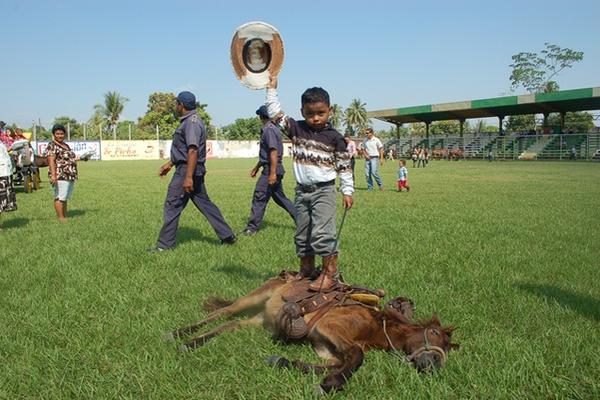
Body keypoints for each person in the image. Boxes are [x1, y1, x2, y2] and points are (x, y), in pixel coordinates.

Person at [265, 77, 353, 291]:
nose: (315, 118)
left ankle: (330, 274)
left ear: (329, 111)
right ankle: (306, 270)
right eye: (310, 113)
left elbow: (344, 166)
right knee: (302, 233)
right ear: (302, 111)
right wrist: (271, 89)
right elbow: (275, 113)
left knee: (323, 233)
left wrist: (348, 190)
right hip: (301, 191)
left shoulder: (335, 138)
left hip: (324, 191)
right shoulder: (296, 129)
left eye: (320, 113)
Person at [151, 91, 236, 252]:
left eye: (176, 104)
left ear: (181, 105)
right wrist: (170, 164)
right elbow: (184, 150)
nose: (176, 106)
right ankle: (227, 236)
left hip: (187, 170)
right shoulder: (191, 121)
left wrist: (188, 177)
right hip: (190, 168)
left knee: (172, 205)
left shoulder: (191, 123)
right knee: (205, 203)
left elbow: (192, 151)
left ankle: (164, 245)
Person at [241, 105, 296, 235]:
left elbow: (273, 152)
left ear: (261, 116)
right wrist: (256, 167)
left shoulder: (269, 130)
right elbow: (266, 153)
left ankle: (252, 228)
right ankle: (303, 221)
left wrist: (271, 174)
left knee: (259, 198)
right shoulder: (273, 128)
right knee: (280, 198)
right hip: (275, 168)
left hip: (272, 170)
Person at [46, 124, 84, 220]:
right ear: (53, 134)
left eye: (62, 133)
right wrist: (54, 175)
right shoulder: (52, 145)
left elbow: (70, 159)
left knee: (65, 196)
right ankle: (61, 218)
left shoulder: (65, 145)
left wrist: (81, 158)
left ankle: (64, 216)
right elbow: (51, 160)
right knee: (59, 196)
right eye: (57, 133)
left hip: (69, 175)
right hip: (60, 175)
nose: (60, 135)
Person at [0, 140, 17, 231]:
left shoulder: (1, 142)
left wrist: (11, 148)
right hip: (1, 174)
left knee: (2, 200)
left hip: (5, 173)